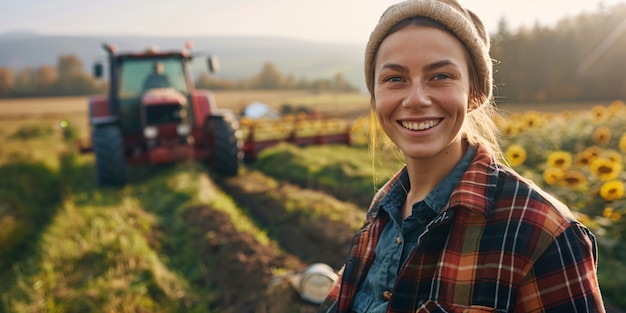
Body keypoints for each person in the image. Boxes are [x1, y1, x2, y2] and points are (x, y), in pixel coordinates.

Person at [317, 0, 606, 312]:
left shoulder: (541, 231)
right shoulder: (384, 207)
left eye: (440, 76)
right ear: (375, 95)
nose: (415, 99)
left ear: (475, 93)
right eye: (395, 79)